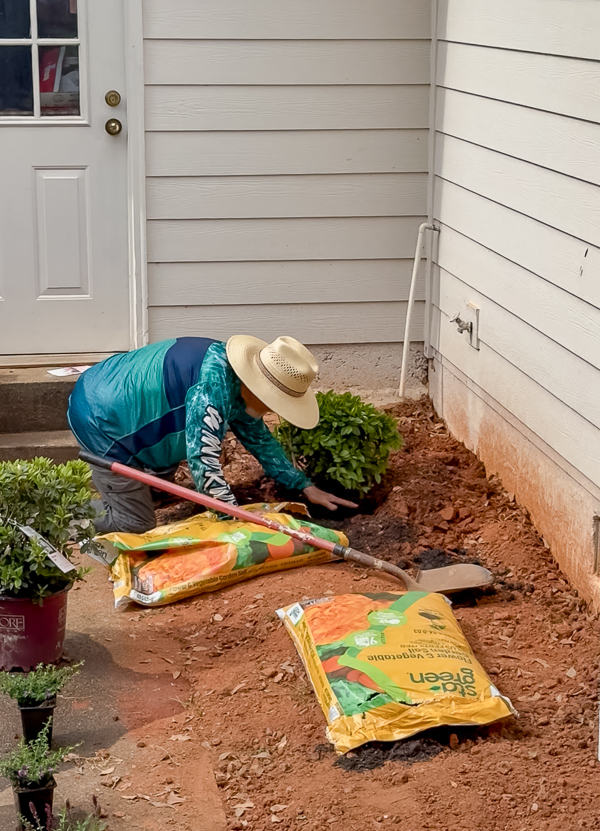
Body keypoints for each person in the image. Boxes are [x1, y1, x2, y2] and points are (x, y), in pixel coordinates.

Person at [67, 335, 356, 533]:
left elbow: (256, 436)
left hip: (130, 408)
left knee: (155, 493)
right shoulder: (212, 390)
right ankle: (60, 514)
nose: (271, 409)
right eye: (274, 401)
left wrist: (303, 485)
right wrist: (236, 518)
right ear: (258, 387)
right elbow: (203, 460)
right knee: (136, 522)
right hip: (101, 417)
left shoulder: (236, 377)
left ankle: (127, 494)